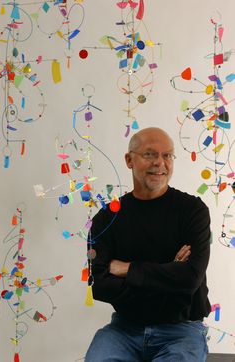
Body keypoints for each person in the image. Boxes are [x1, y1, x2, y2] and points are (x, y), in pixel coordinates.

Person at [85, 127, 211, 362]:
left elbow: (190, 278)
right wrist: (170, 273)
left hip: (181, 331)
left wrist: (127, 269)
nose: (160, 163)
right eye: (150, 154)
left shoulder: (193, 211)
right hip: (124, 330)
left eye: (167, 155)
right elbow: (100, 286)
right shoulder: (106, 218)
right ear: (129, 160)